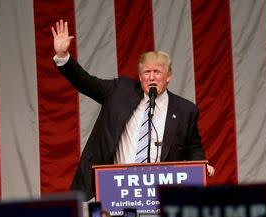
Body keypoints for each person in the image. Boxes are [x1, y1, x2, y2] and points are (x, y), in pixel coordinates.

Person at [51, 20, 215, 200]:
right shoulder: (119, 91)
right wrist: (63, 55)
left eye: (157, 72)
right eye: (146, 72)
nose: (151, 77)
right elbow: (85, 82)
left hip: (159, 194)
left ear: (168, 76)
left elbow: (193, 148)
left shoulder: (185, 110)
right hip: (117, 190)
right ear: (139, 76)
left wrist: (200, 166)